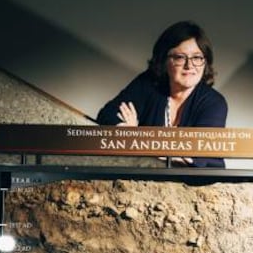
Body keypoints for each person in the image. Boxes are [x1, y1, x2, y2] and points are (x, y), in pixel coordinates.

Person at [96, 20, 228, 167]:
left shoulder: (214, 103)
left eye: (197, 57)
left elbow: (196, 158)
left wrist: (135, 138)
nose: (189, 65)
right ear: (164, 60)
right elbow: (107, 114)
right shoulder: (148, 84)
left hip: (195, 186)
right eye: (180, 57)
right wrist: (128, 134)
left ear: (205, 62)